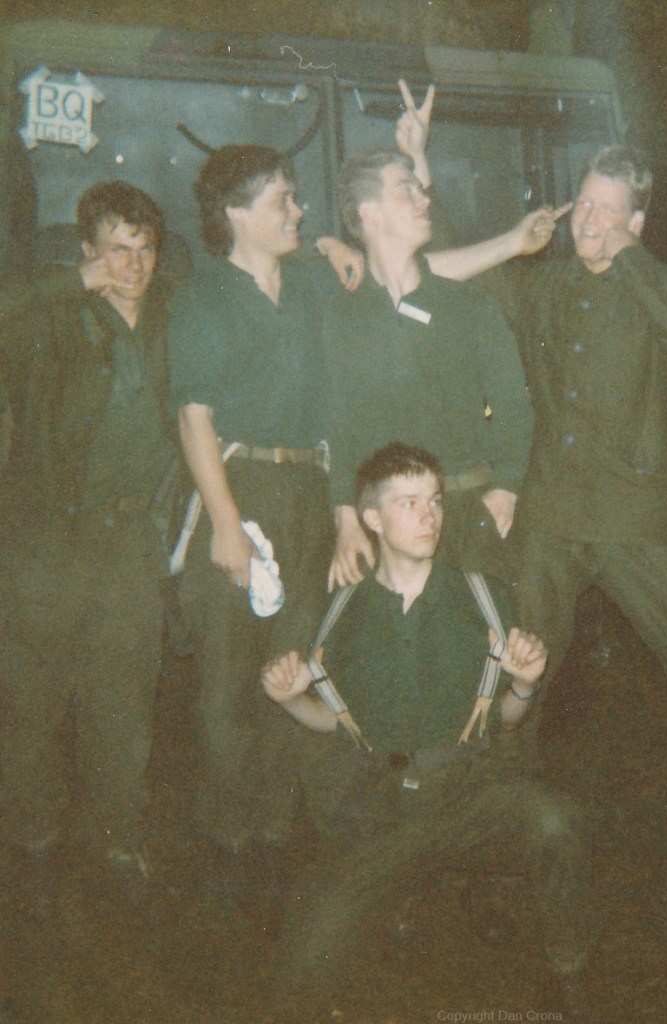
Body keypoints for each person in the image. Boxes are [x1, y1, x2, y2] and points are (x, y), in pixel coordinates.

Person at [431, 144, 667, 861]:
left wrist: (627, 252)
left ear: (637, 221)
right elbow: (458, 274)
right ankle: (508, 805)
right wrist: (426, 176)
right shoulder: (546, 285)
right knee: (520, 660)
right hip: (551, 518)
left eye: (608, 210)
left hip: (638, 523)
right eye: (584, 204)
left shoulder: (663, 285)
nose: (588, 221)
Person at [260, 443, 596, 1020]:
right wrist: (291, 700)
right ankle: (399, 894)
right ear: (371, 518)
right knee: (302, 964)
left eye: (436, 501)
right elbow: (340, 724)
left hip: (470, 794)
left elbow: (504, 719)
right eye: (410, 503)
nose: (431, 516)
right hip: (383, 811)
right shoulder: (343, 613)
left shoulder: (485, 598)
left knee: (557, 823)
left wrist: (523, 684)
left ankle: (570, 973)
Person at [167, 144, 359, 867]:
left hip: (308, 489)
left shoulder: (308, 282)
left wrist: (336, 244)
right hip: (237, 488)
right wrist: (224, 527)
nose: (299, 211)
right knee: (228, 674)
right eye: (283, 199)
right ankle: (228, 831)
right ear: (235, 212)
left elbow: (386, 268)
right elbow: (195, 420)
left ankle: (273, 828)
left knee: (292, 663)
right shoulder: (204, 296)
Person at [0, 181, 179, 896]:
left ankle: (117, 838)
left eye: (144, 249)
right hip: (49, 534)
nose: (131, 265)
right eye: (115, 250)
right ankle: (32, 836)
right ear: (86, 251)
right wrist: (76, 281)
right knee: (33, 697)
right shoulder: (52, 317)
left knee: (124, 701)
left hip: (130, 538)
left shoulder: (171, 314)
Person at [320, 89, 534, 590]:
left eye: (421, 190)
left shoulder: (471, 306)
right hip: (385, 527)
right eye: (407, 192)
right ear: (369, 214)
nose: (424, 200)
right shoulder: (341, 314)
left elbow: (513, 406)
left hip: (467, 516)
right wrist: (346, 519)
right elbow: (338, 424)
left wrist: (505, 489)